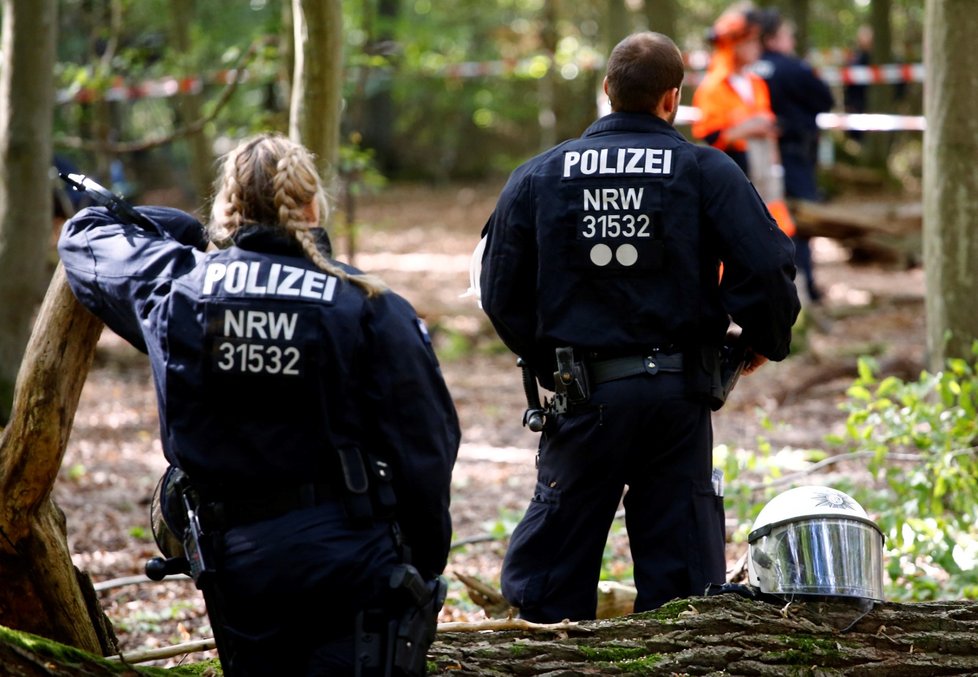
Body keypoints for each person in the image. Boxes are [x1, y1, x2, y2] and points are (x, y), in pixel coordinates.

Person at [58, 133, 460, 676]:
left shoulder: (178, 285)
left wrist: (197, 236)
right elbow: (427, 451)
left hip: (237, 564)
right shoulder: (367, 305)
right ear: (313, 206)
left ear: (227, 209)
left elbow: (87, 233)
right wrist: (422, 563)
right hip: (353, 557)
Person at [479, 31, 800, 623]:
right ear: (671, 99)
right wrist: (759, 341)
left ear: (607, 90)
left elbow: (499, 291)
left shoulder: (538, 175)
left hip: (584, 399)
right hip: (677, 402)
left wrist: (551, 361)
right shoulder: (707, 170)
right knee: (684, 599)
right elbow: (769, 263)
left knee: (547, 591)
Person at [691, 2, 796, 239]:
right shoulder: (713, 88)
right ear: (733, 43)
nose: (756, 47)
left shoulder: (757, 84)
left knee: (775, 233)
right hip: (735, 178)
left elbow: (769, 128)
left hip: (765, 176)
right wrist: (748, 128)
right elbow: (710, 137)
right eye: (750, 41)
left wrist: (776, 168)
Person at [756, 9, 834, 304]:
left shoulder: (748, 71)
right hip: (794, 156)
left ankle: (775, 289)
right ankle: (805, 287)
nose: (792, 40)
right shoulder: (793, 68)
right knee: (799, 220)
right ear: (774, 38)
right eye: (788, 35)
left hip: (757, 159)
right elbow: (825, 98)